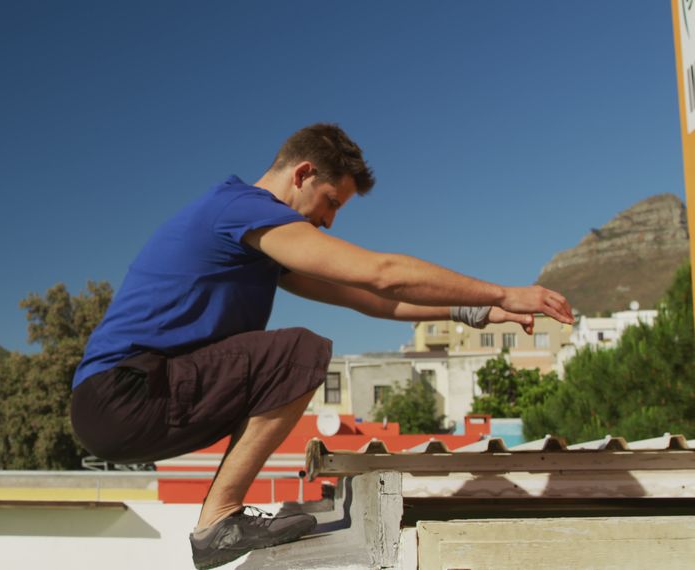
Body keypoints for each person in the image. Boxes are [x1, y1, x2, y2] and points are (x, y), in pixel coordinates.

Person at [70, 123, 573, 570]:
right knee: (300, 354)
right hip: (122, 393)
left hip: (123, 403)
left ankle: (218, 519)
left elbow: (376, 301)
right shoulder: (242, 211)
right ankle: (218, 521)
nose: (330, 221)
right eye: (331, 201)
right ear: (303, 173)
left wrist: (477, 311)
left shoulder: (258, 242)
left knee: (294, 355)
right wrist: (504, 291)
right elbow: (383, 273)